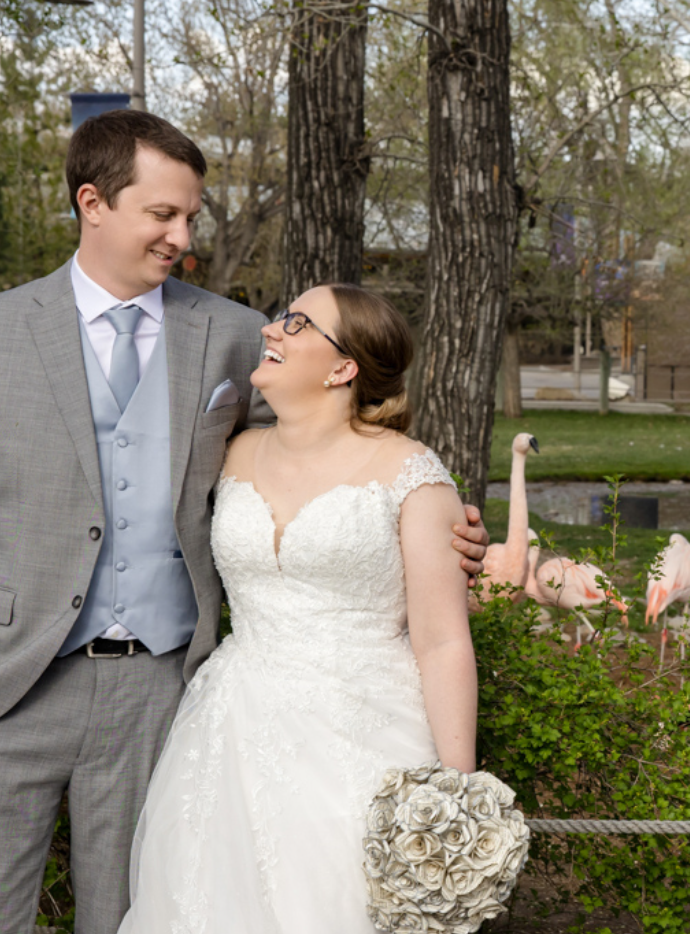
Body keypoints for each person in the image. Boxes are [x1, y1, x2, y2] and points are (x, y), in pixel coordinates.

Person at [0, 110, 490, 934]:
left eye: (190, 216)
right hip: (0, 686)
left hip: (162, 694)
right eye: (163, 214)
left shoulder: (235, 337)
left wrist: (437, 517)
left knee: (141, 916)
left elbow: (336, 448)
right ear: (93, 202)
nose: (183, 235)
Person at [119, 282, 475, 931]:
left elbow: (443, 641)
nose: (272, 330)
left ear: (344, 368)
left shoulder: (411, 472)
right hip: (227, 735)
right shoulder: (231, 452)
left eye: (298, 323)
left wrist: (459, 793)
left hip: (364, 737)